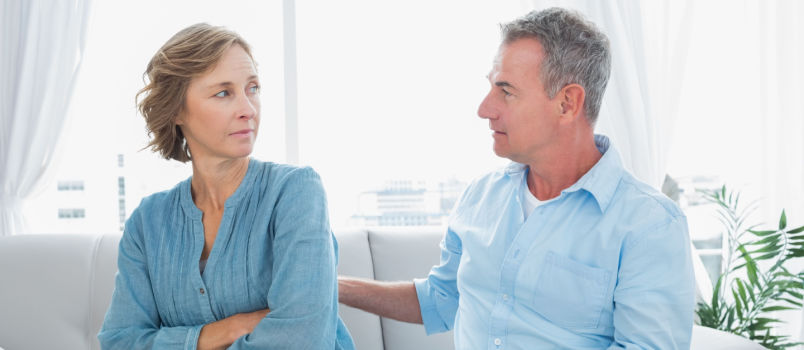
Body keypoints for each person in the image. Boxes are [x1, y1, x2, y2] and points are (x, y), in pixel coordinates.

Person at [338, 8, 695, 349]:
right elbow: (442, 299)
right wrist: (334, 287)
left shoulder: (649, 226)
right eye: (491, 87)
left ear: (567, 103)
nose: (484, 109)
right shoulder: (482, 196)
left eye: (506, 91)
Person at [98, 23, 355, 350]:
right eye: (224, 93)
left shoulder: (296, 192)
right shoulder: (147, 223)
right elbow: (120, 342)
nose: (248, 110)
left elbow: (300, 341)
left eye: (253, 88)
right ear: (177, 109)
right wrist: (227, 329)